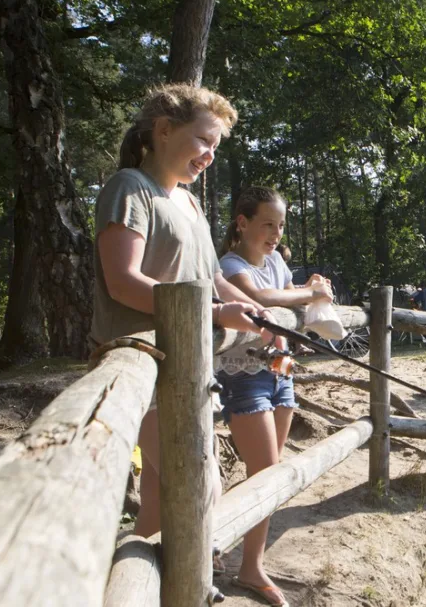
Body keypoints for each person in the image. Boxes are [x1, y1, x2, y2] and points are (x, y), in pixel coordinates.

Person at [91, 84, 273, 546]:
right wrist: (217, 313)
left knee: (160, 498)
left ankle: (144, 582)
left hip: (188, 366)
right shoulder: (129, 188)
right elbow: (122, 281)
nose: (209, 154)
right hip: (144, 365)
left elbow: (213, 278)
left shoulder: (189, 203)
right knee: (200, 486)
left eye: (216, 146)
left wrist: (260, 316)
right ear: (164, 130)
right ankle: (188, 577)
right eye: (203, 140)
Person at [214, 186, 333, 605]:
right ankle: (248, 566)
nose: (276, 233)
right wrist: (312, 294)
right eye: (267, 224)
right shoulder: (230, 265)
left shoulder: (276, 263)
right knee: (265, 473)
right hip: (244, 375)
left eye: (280, 225)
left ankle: (234, 551)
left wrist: (309, 285)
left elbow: (284, 293)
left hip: (281, 373)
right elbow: (261, 298)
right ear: (242, 223)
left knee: (268, 471)